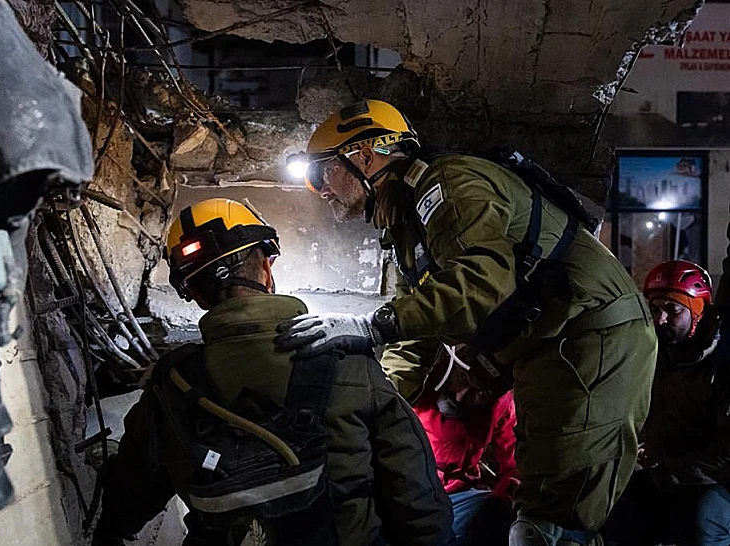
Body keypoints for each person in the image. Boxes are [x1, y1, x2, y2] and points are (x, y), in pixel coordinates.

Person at [275, 99, 658, 545]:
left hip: (591, 336)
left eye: (322, 173)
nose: (320, 189)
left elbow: (479, 284)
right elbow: (419, 334)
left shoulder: (449, 185)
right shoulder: (407, 223)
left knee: (556, 515)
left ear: (363, 155)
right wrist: (374, 398)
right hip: (550, 345)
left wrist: (371, 325)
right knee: (541, 508)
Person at [94, 198, 455, 546]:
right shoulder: (346, 359)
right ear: (266, 267)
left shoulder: (171, 388)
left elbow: (126, 504)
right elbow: (416, 495)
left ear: (197, 296)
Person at [604, 260, 730, 546]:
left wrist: (672, 471)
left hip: (715, 481)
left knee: (701, 520)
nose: (660, 319)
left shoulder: (721, 364)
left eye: (672, 310)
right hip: (665, 473)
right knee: (615, 515)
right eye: (654, 309)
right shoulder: (652, 356)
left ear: (698, 311)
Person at [411, 343, 519, 545]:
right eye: (463, 379)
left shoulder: (500, 405)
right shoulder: (419, 383)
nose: (460, 396)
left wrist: (504, 497)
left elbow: (513, 464)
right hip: (413, 493)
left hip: (459, 496)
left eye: (478, 392)